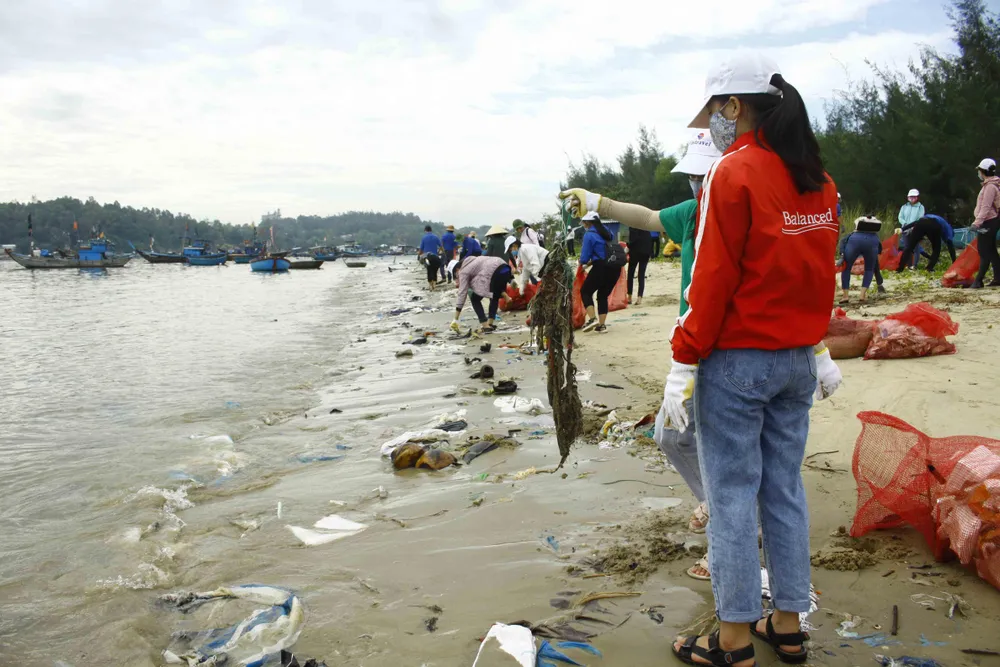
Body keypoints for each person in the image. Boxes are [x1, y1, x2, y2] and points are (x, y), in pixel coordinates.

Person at [572, 53, 844, 666]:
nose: (714, 123)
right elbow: (814, 278)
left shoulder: (733, 171)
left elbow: (712, 280)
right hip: (796, 360)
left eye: (716, 111)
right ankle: (789, 625)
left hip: (739, 363)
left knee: (729, 495)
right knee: (783, 491)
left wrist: (683, 361)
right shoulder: (817, 180)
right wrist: (817, 348)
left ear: (734, 107)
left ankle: (732, 642)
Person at [561, 131, 723, 578]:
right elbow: (649, 217)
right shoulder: (693, 212)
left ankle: (727, 539)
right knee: (673, 436)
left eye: (699, 173)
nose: (694, 180)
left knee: (707, 444)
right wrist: (599, 202)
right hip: (693, 345)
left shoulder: (735, 212)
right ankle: (718, 508)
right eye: (691, 173)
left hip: (721, 348)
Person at [576, 212, 620, 333]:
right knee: (602, 295)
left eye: (584, 222)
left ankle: (592, 318)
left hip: (601, 267)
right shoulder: (607, 231)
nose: (583, 224)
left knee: (585, 291)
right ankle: (602, 325)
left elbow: (584, 258)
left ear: (588, 222)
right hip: (615, 267)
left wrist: (582, 262)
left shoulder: (589, 235)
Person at [449, 255, 513, 333]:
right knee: (494, 295)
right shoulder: (473, 260)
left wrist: (455, 318)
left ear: (457, 269)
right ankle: (490, 323)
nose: (457, 277)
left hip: (493, 272)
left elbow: (462, 292)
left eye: (456, 275)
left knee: (475, 299)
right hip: (505, 267)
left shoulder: (463, 271)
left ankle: (485, 325)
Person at [840, 215, 884, 304]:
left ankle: (845, 296)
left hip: (855, 240)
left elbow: (843, 241)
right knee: (869, 269)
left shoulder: (854, 232)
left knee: (846, 268)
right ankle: (862, 295)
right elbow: (879, 249)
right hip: (872, 241)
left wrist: (841, 253)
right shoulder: (875, 235)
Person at [972, 157, 1000, 288]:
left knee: (983, 251)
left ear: (983, 171)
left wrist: (977, 223)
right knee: (991, 250)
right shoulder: (991, 185)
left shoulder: (990, 187)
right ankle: (998, 278)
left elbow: (986, 207)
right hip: (990, 221)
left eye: (979, 171)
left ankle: (978, 281)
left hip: (988, 222)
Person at [898, 188, 927, 268]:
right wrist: (905, 224)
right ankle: (909, 264)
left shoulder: (920, 207)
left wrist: (913, 226)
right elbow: (900, 217)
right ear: (908, 198)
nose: (912, 198)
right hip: (905, 229)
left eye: (914, 197)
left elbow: (920, 218)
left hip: (915, 229)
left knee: (916, 247)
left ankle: (915, 265)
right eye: (911, 197)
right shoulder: (904, 207)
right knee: (907, 247)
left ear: (917, 197)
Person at [626, 225, 652, 305]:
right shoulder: (646, 227)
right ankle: (639, 297)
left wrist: (628, 246)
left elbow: (633, 240)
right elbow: (650, 240)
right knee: (641, 274)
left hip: (635, 252)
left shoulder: (633, 226)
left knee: (630, 274)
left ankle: (629, 297)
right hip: (645, 253)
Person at [417, 225, 443, 291]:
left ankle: (430, 285)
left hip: (427, 257)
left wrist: (418, 255)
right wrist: (440, 252)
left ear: (425, 230)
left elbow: (421, 249)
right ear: (431, 230)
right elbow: (441, 246)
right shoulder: (436, 237)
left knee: (429, 270)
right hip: (435, 256)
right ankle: (434, 284)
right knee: (435, 270)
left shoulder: (424, 238)